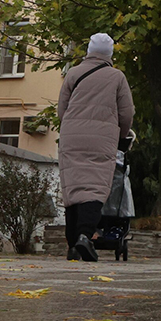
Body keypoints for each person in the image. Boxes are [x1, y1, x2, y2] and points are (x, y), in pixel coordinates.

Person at [57, 33, 134, 262]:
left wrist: (71, 126)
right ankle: (84, 236)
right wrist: (120, 135)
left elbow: (62, 109)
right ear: (110, 54)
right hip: (102, 139)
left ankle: (72, 245)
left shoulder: (73, 73)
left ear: (89, 50)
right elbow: (126, 113)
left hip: (71, 136)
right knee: (94, 188)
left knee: (73, 189)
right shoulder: (117, 77)